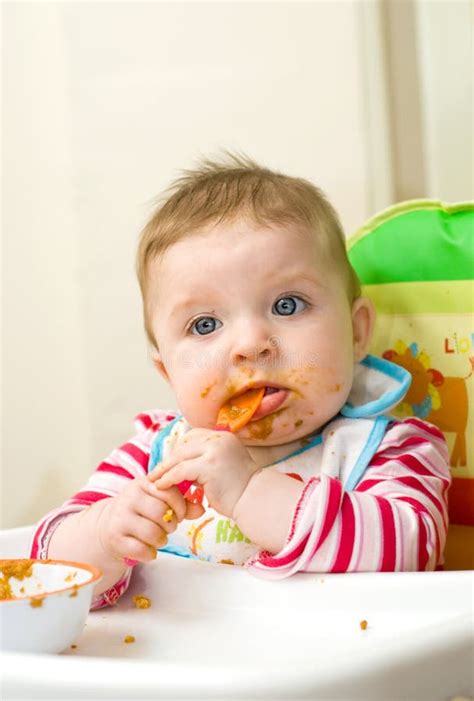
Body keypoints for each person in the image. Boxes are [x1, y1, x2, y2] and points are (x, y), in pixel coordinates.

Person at [30, 154, 451, 609]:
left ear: (356, 332)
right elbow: (46, 571)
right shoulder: (154, 459)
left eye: (287, 305)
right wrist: (105, 533)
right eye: (206, 325)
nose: (250, 346)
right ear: (168, 372)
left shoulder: (393, 449)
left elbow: (412, 551)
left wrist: (250, 493)